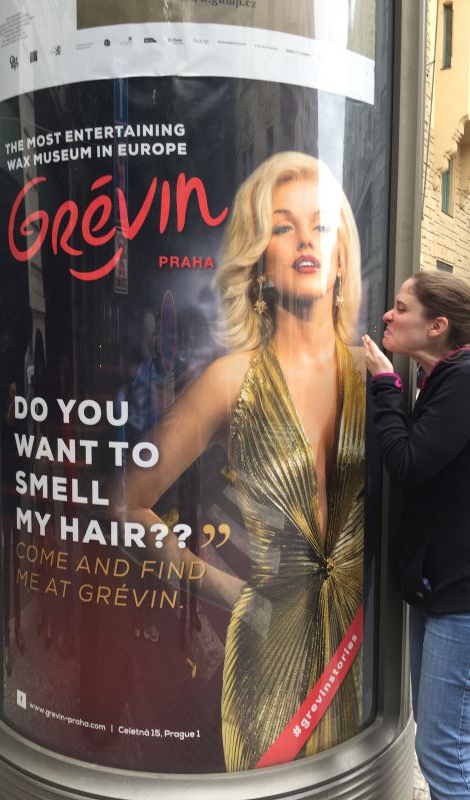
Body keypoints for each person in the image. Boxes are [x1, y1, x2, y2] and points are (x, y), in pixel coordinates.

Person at [125, 151, 366, 771]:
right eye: (283, 226)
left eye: (321, 225)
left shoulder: (371, 378)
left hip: (354, 649)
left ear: (342, 257)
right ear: (260, 261)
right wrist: (232, 593)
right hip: (265, 666)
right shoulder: (230, 381)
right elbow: (126, 503)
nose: (306, 240)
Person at [362, 271, 470, 800]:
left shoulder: (468, 378)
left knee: (446, 759)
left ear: (436, 326)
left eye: (401, 307)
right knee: (440, 752)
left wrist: (384, 385)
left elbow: (409, 463)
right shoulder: (442, 376)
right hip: (445, 591)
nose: (388, 315)